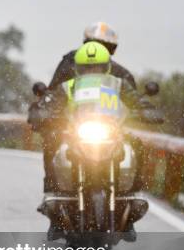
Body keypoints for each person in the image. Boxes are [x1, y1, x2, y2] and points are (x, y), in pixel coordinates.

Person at [32, 41, 151, 237]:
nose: (92, 71)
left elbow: (136, 100)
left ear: (107, 67)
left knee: (136, 144)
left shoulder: (118, 85)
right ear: (78, 69)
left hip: (110, 132)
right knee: (53, 143)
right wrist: (44, 112)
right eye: (88, 67)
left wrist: (146, 109)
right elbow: (52, 103)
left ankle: (132, 199)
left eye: (97, 67)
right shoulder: (68, 87)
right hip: (76, 134)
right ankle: (54, 205)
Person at [49, 21, 137, 91]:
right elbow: (52, 93)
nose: (94, 50)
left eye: (103, 46)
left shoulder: (122, 74)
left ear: (112, 49)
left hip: (109, 113)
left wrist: (144, 110)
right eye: (92, 43)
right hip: (73, 113)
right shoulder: (69, 62)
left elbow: (134, 104)